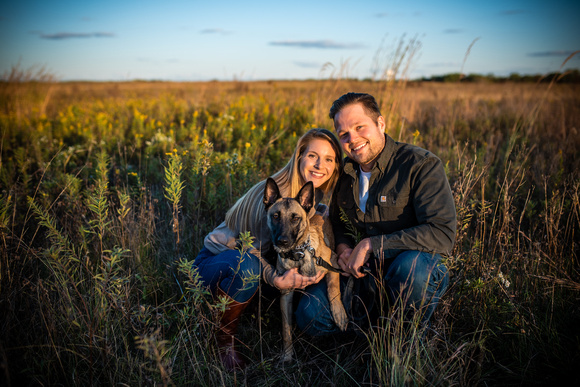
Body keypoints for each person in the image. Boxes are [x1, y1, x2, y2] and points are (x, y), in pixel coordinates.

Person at [295, 92, 456, 335]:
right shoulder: (345, 173)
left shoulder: (420, 164)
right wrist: (344, 249)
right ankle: (372, 331)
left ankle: (406, 338)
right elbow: (338, 222)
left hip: (408, 270)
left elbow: (442, 233)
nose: (353, 139)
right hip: (363, 274)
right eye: (344, 134)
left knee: (411, 269)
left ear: (380, 123)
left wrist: (372, 245)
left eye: (360, 127)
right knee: (309, 315)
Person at [193, 128, 343, 370]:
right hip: (217, 263)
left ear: (336, 166)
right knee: (249, 267)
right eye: (313, 156)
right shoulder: (273, 195)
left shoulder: (310, 196)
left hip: (252, 262)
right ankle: (223, 343)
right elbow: (246, 249)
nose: (319, 165)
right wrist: (274, 278)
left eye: (328, 159)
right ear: (299, 157)